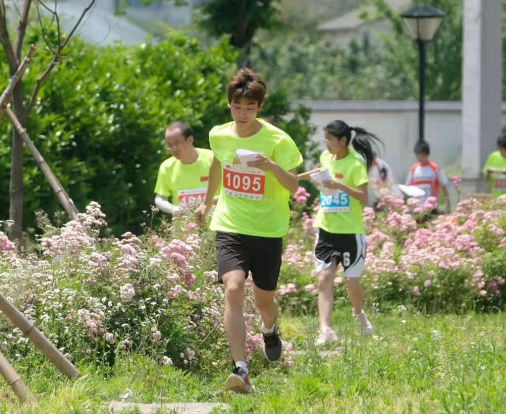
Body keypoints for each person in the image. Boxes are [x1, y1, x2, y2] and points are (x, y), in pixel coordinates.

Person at [194, 69, 303, 394]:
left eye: (250, 108)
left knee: (265, 300)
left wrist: (270, 166)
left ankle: (269, 329)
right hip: (230, 225)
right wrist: (207, 203)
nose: (243, 114)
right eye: (237, 107)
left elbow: (294, 185)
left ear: (259, 107)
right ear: (229, 104)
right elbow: (217, 165)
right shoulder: (220, 135)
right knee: (233, 288)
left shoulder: (277, 140)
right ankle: (240, 369)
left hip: (267, 230)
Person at [297, 120, 378, 346]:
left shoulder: (355, 164)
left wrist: (339, 186)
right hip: (326, 229)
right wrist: (297, 177)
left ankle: (359, 314)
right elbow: (319, 171)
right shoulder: (325, 157)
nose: (326, 143)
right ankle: (325, 330)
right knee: (324, 279)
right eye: (325, 138)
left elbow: (363, 198)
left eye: (330, 139)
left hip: (350, 232)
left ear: (343, 141)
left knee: (352, 283)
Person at [154, 122, 215, 214]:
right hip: (184, 226)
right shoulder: (166, 167)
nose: (174, 149)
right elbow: (160, 198)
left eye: (177, 144)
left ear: (190, 140)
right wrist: (174, 209)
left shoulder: (213, 159)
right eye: (169, 145)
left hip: (214, 225)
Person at [405, 141, 451, 213]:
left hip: (431, 207)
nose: (420, 158)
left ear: (427, 154)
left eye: (422, 155)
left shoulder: (435, 168)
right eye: (418, 156)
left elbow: (443, 185)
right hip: (417, 208)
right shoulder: (413, 169)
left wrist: (448, 202)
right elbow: (407, 188)